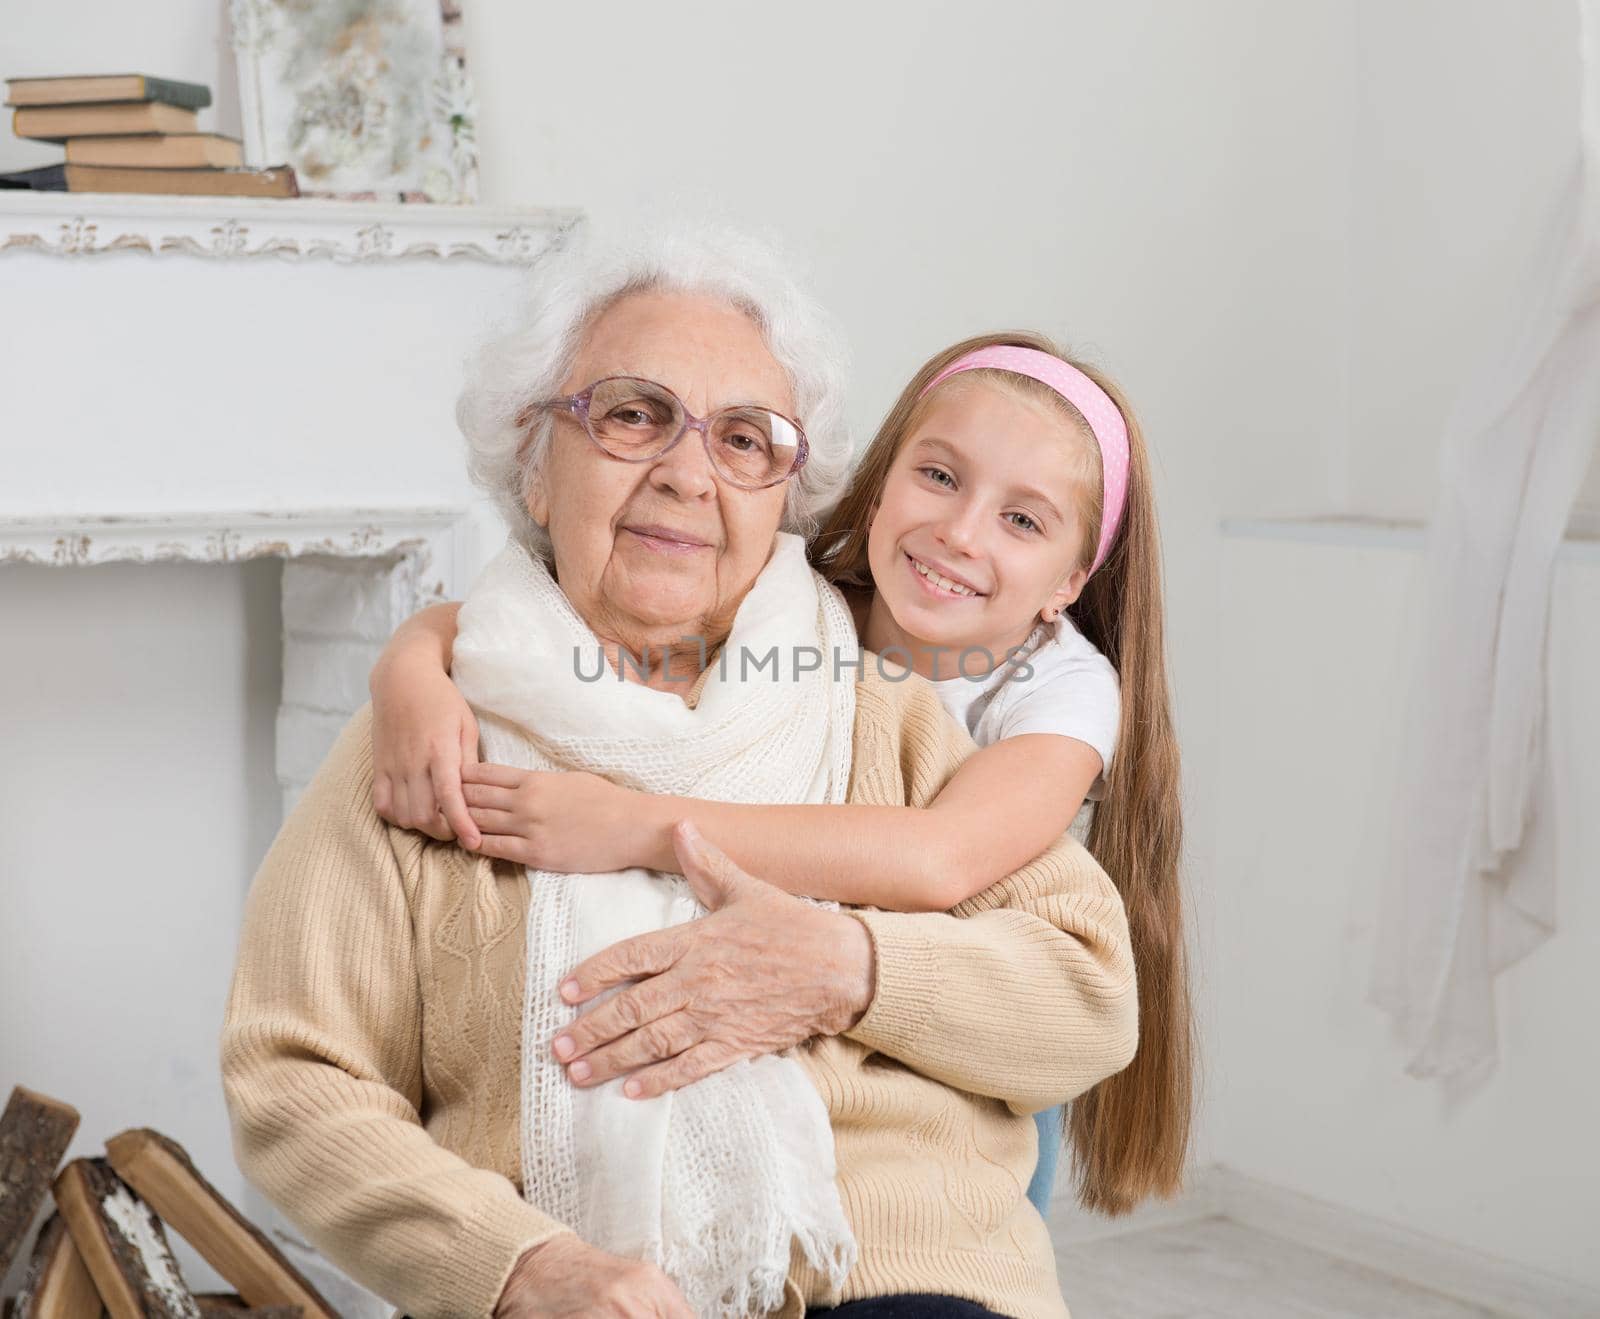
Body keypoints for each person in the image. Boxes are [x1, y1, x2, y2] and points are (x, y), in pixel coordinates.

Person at [220, 222, 1156, 1319]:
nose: (685, 474)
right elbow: (292, 1080)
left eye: (744, 440)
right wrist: (521, 1265)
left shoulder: (876, 697)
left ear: (783, 494)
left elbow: (1086, 997)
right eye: (631, 414)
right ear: (534, 461)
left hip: (902, 1273)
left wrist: (850, 966)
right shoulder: (428, 749)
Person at [368, 332, 1188, 1218]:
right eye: (940, 476)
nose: (958, 531)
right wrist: (411, 664)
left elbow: (939, 860)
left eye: (1021, 519)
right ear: (882, 479)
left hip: (955, 1038)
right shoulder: (808, 600)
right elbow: (528, 617)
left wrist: (636, 826)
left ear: (1070, 578)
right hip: (806, 1043)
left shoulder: (1063, 691)